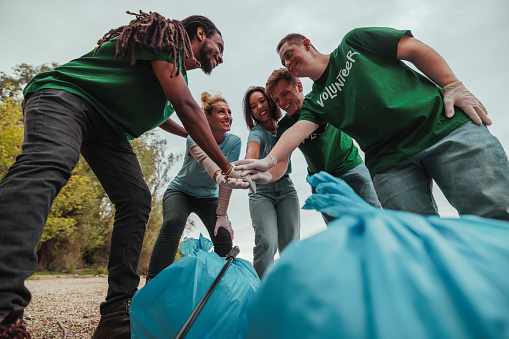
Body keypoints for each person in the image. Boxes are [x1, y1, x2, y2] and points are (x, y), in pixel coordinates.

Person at [0, 11, 252, 339]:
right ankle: (5, 304)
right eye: (218, 46)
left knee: (136, 199)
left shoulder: (174, 76)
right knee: (47, 166)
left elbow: (173, 115)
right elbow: (188, 109)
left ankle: (118, 314)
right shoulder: (166, 39)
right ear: (200, 33)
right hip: (65, 98)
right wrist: (226, 165)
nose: (220, 56)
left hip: (109, 128)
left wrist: (186, 134)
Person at [238, 28, 509, 221]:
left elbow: (411, 48)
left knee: (494, 213)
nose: (288, 62)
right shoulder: (316, 101)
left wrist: (453, 85)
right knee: (413, 240)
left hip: (441, 127)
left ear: (307, 44)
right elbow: (297, 130)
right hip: (390, 163)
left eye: (289, 53)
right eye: (283, 60)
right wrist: (268, 161)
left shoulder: (353, 43)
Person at [146, 92, 243, 283]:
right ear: (207, 118)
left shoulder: (234, 142)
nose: (228, 116)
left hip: (209, 197)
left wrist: (222, 215)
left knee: (223, 236)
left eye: (229, 112)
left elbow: (228, 178)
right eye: (221, 112)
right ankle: (153, 283)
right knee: (173, 222)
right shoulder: (193, 136)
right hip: (180, 191)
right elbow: (206, 160)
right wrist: (220, 176)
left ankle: (224, 286)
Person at [262, 68, 380, 223]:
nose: (282, 103)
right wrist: (265, 176)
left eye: (285, 93)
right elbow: (282, 163)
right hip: (322, 182)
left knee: (376, 221)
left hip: (350, 169)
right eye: (276, 100)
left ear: (299, 86)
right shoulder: (285, 125)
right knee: (340, 234)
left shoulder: (322, 99)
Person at [242, 86, 300, 278]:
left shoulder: (286, 128)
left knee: (291, 244)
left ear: (270, 101)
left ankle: (290, 291)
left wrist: (269, 173)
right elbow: (252, 153)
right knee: (267, 241)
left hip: (286, 189)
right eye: (253, 106)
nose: (259, 107)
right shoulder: (256, 133)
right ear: (251, 113)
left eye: (261, 101)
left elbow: (282, 164)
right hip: (260, 192)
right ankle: (259, 290)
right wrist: (248, 167)